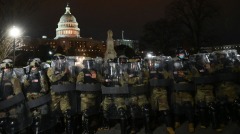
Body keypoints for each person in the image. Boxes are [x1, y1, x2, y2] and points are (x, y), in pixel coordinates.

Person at [0, 59, 32, 133]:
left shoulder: (14, 80)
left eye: (7, 69)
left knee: (14, 126)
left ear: (11, 69)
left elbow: (18, 96)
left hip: (12, 108)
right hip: (1, 108)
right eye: (4, 68)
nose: (6, 70)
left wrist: (12, 98)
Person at [22, 58, 53, 132]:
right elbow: (23, 88)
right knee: (30, 121)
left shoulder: (41, 75)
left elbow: (45, 89)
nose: (34, 68)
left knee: (38, 120)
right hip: (30, 102)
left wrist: (35, 95)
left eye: (35, 67)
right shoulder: (26, 76)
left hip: (38, 101)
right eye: (32, 67)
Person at [47, 53, 75, 133]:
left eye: (62, 60)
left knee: (68, 114)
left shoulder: (65, 69)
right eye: (59, 60)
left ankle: (68, 131)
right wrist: (63, 73)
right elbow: (53, 79)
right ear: (55, 60)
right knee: (55, 114)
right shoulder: (51, 69)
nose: (61, 61)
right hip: (54, 95)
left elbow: (71, 80)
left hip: (64, 94)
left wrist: (69, 73)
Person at [193, 54, 222, 132]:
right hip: (200, 90)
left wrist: (209, 68)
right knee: (202, 107)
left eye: (204, 59)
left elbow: (214, 73)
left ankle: (215, 125)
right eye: (201, 59)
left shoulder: (209, 66)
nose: (203, 60)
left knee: (212, 107)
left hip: (209, 89)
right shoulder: (195, 68)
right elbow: (194, 77)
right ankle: (204, 123)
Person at [100, 55, 129, 133]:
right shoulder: (107, 73)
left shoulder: (120, 73)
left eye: (112, 64)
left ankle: (124, 130)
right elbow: (102, 82)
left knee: (122, 111)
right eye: (109, 64)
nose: (110, 66)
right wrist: (104, 81)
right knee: (104, 108)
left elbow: (124, 84)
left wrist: (119, 82)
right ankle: (106, 125)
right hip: (109, 95)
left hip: (118, 95)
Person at [172, 47, 197, 133]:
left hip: (186, 88)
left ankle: (191, 123)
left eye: (182, 53)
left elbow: (193, 77)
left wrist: (184, 75)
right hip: (177, 88)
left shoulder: (189, 64)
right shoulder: (174, 64)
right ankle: (177, 121)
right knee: (176, 106)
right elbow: (171, 76)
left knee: (188, 106)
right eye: (179, 54)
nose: (181, 55)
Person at [148, 55, 175, 134]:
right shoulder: (149, 69)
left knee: (165, 109)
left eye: (158, 62)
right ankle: (154, 123)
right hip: (153, 91)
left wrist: (161, 72)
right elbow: (145, 78)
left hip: (162, 91)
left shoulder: (164, 70)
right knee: (153, 110)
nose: (156, 63)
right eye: (155, 62)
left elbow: (169, 77)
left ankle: (169, 127)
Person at [76, 57, 103, 133]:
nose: (89, 64)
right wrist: (87, 85)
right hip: (85, 97)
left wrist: (96, 77)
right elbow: (79, 83)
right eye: (88, 62)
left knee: (93, 113)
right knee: (86, 114)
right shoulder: (82, 72)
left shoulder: (95, 72)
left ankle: (91, 128)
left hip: (94, 96)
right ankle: (86, 130)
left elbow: (102, 80)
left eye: (90, 62)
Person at [127, 57, 151, 134]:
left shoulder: (141, 71)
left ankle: (148, 129)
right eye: (132, 64)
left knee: (146, 111)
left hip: (142, 95)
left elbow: (146, 80)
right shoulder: (126, 72)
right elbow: (129, 81)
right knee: (132, 112)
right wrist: (138, 79)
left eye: (135, 64)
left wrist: (140, 77)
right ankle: (133, 128)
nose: (134, 66)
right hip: (132, 95)